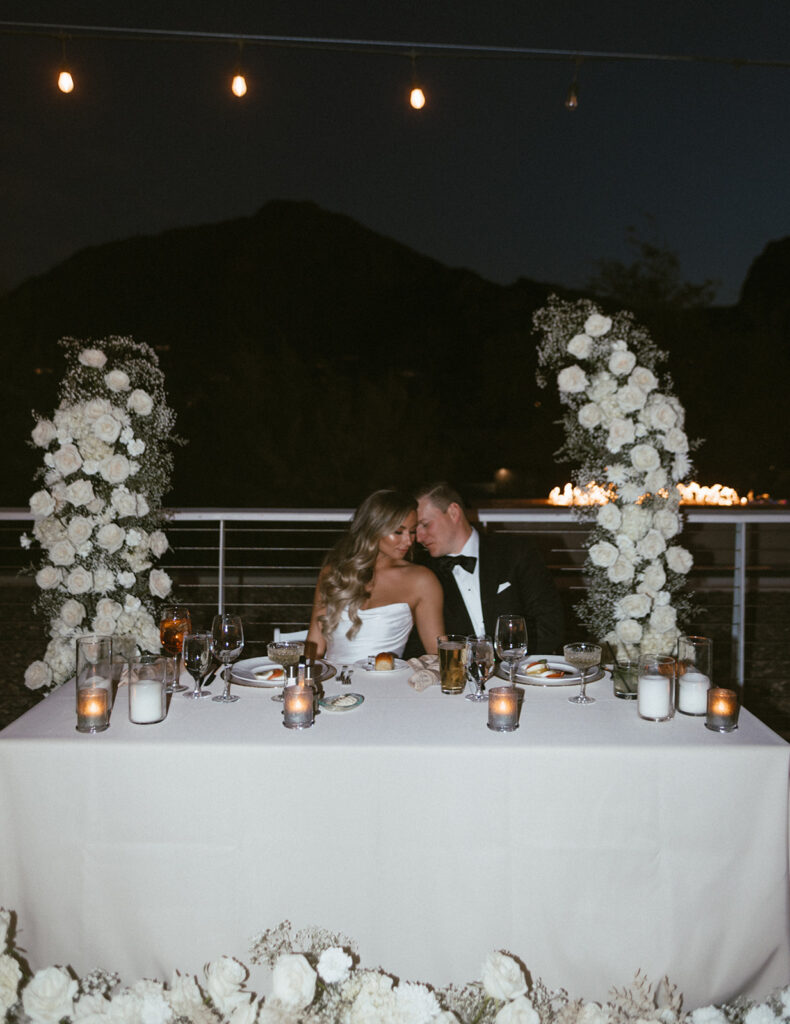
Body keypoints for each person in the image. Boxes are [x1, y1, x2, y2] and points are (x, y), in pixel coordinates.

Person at [414, 481, 564, 655]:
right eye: (414, 530)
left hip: (520, 671)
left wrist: (507, 666)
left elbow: (549, 626)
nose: (419, 537)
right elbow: (420, 645)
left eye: (425, 524)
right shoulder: (423, 575)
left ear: (454, 512)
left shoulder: (516, 552)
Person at [307, 489, 444, 664]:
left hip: (386, 687)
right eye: (398, 532)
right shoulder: (333, 573)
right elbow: (314, 646)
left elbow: (438, 654)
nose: (409, 542)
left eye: (412, 531)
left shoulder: (421, 580)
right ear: (374, 529)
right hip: (333, 683)